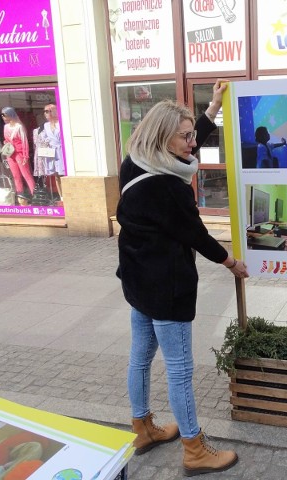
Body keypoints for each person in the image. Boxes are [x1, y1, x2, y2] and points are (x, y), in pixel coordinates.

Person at [116, 80, 248, 477]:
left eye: (194, 134)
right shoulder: (166, 187)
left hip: (138, 280)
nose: (194, 143)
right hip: (166, 286)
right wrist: (230, 262)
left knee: (140, 357)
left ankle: (142, 429)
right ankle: (194, 448)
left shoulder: (136, 161)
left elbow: (183, 143)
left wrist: (213, 110)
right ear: (163, 138)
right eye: (186, 137)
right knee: (180, 368)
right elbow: (195, 234)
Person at [33, 104, 65, 202]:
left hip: (61, 151)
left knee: (63, 174)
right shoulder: (45, 126)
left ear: (55, 111)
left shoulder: (61, 123)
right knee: (56, 175)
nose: (45, 113)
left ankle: (67, 195)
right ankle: (62, 197)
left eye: (48, 111)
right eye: (45, 111)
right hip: (52, 152)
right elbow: (44, 139)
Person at [1, 107, 35, 197]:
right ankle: (20, 195)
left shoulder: (19, 127)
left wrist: (25, 156)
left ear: (10, 114)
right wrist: (6, 144)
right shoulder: (5, 127)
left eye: (4, 115)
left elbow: (24, 141)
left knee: (26, 175)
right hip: (11, 154)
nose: (3, 117)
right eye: (2, 115)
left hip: (20, 153)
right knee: (15, 176)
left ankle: (34, 194)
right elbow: (6, 139)